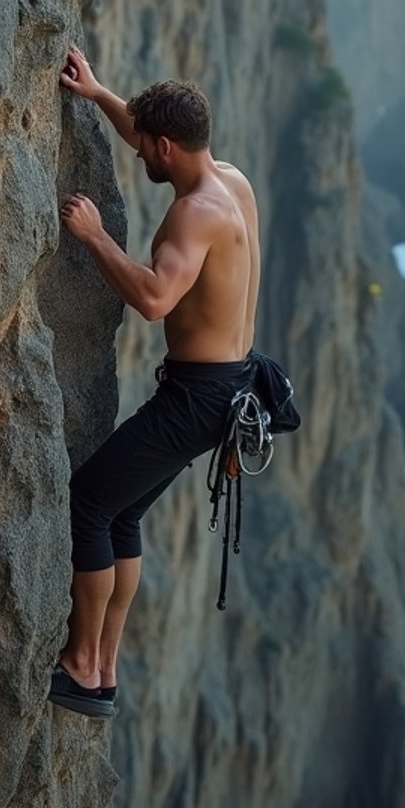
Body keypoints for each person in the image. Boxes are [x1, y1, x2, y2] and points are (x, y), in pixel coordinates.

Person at [48, 45, 261, 719]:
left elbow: (154, 300)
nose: (139, 157)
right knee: (123, 511)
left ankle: (82, 664)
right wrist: (101, 94)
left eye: (146, 148)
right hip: (227, 388)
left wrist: (94, 237)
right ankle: (103, 669)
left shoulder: (196, 213)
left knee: (87, 503)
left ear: (167, 145)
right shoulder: (232, 181)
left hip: (197, 400)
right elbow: (148, 135)